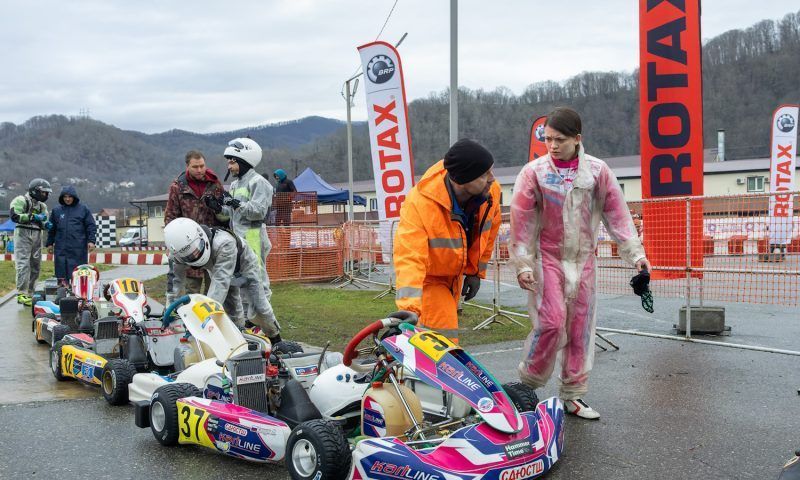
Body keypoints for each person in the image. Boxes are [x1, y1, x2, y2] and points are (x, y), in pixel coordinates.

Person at [509, 107, 651, 420]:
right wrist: (523, 264)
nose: (552, 145)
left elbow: (617, 214)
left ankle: (573, 394)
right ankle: (527, 384)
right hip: (548, 258)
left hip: (584, 259)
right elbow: (522, 221)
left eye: (559, 139)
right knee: (551, 322)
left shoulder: (597, 172)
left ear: (577, 139)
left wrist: (636, 255)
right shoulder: (534, 173)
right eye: (548, 139)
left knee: (580, 330)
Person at [393, 138, 502, 342]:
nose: (492, 179)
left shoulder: (491, 193)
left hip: (455, 279)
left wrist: (475, 272)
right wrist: (409, 309)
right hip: (431, 281)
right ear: (462, 180)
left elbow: (488, 233)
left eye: (491, 171)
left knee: (436, 345)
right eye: (484, 174)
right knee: (443, 343)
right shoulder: (419, 204)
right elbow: (409, 257)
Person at [164, 217, 281, 344]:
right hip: (217, 267)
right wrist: (170, 310)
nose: (195, 256)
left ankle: (275, 338)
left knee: (259, 307)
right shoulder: (177, 254)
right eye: (189, 256)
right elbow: (175, 283)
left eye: (197, 250)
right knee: (231, 310)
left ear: (200, 236)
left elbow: (220, 283)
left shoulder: (224, 243)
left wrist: (203, 318)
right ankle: (239, 340)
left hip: (245, 265)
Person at [217, 138, 274, 307]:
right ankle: (247, 315)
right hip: (239, 237)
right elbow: (231, 214)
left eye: (232, 162)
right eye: (228, 163)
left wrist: (235, 203)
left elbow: (258, 211)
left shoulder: (259, 182)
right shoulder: (235, 184)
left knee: (258, 278)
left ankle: (263, 316)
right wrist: (218, 208)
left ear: (244, 161)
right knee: (242, 278)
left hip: (253, 236)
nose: (229, 167)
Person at [164, 150, 226, 300]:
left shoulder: (215, 184)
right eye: (195, 167)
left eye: (202, 166)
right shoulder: (178, 187)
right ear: (187, 166)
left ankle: (213, 312)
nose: (199, 170)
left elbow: (225, 213)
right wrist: (170, 243)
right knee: (192, 289)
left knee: (214, 289)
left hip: (213, 241)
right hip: (188, 243)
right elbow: (171, 216)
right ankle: (192, 313)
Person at [9, 178, 52, 306]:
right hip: (23, 234)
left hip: (37, 235)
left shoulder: (42, 206)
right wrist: (32, 217)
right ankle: (21, 293)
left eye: (47, 193)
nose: (45, 195)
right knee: (23, 264)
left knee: (36, 265)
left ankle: (31, 292)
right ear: (35, 190)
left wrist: (46, 224)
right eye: (43, 192)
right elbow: (15, 216)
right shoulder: (20, 200)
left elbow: (43, 221)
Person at [45, 186, 97, 285]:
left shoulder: (83, 209)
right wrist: (49, 243)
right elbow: (52, 229)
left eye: (70, 197)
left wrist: (91, 241)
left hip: (78, 248)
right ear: (62, 198)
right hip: (61, 248)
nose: (67, 199)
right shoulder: (56, 211)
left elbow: (91, 226)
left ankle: (79, 291)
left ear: (74, 197)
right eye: (65, 197)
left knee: (78, 273)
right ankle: (62, 291)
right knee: (61, 274)